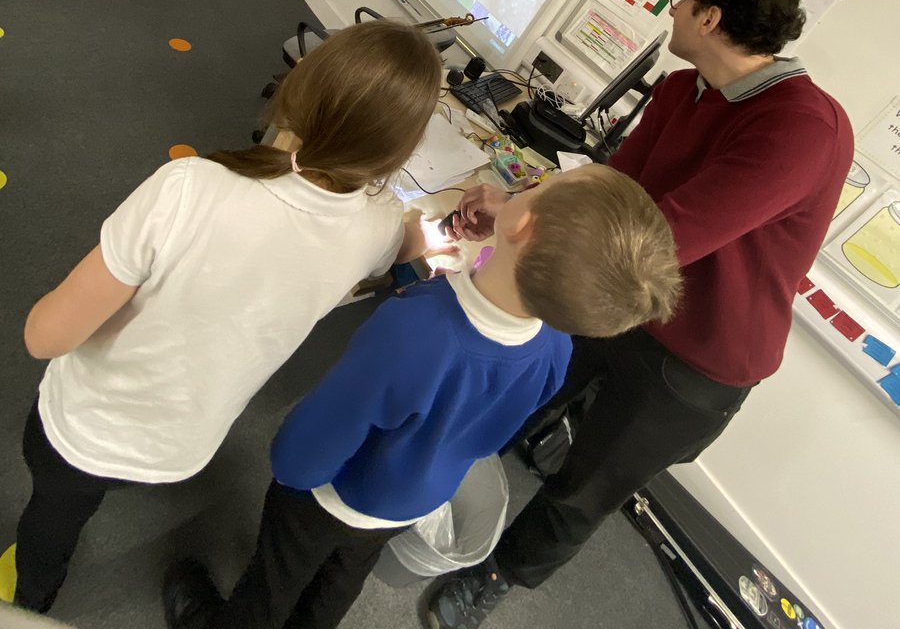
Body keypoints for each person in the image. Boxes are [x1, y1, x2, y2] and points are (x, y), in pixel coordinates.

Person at [427, 0, 854, 629]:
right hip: (621, 303)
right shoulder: (686, 88)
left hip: (700, 352)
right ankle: (438, 491)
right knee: (522, 391)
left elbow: (661, 239)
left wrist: (517, 222)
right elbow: (613, 181)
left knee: (587, 484)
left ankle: (499, 575)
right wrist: (518, 195)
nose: (673, 7)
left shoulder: (801, 127)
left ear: (710, 18)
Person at [0, 20, 442, 615]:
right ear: (399, 151)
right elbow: (406, 247)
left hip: (81, 431)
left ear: (301, 85)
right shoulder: (379, 225)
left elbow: (42, 336)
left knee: (53, 516)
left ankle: (31, 598)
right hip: (183, 446)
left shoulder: (190, 188)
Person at [162, 163, 683, 629]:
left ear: (523, 225)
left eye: (544, 185)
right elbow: (491, 431)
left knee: (275, 579)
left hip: (332, 496)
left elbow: (321, 435)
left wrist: (290, 473)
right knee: (342, 578)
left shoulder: (414, 329)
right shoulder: (556, 348)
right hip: (413, 497)